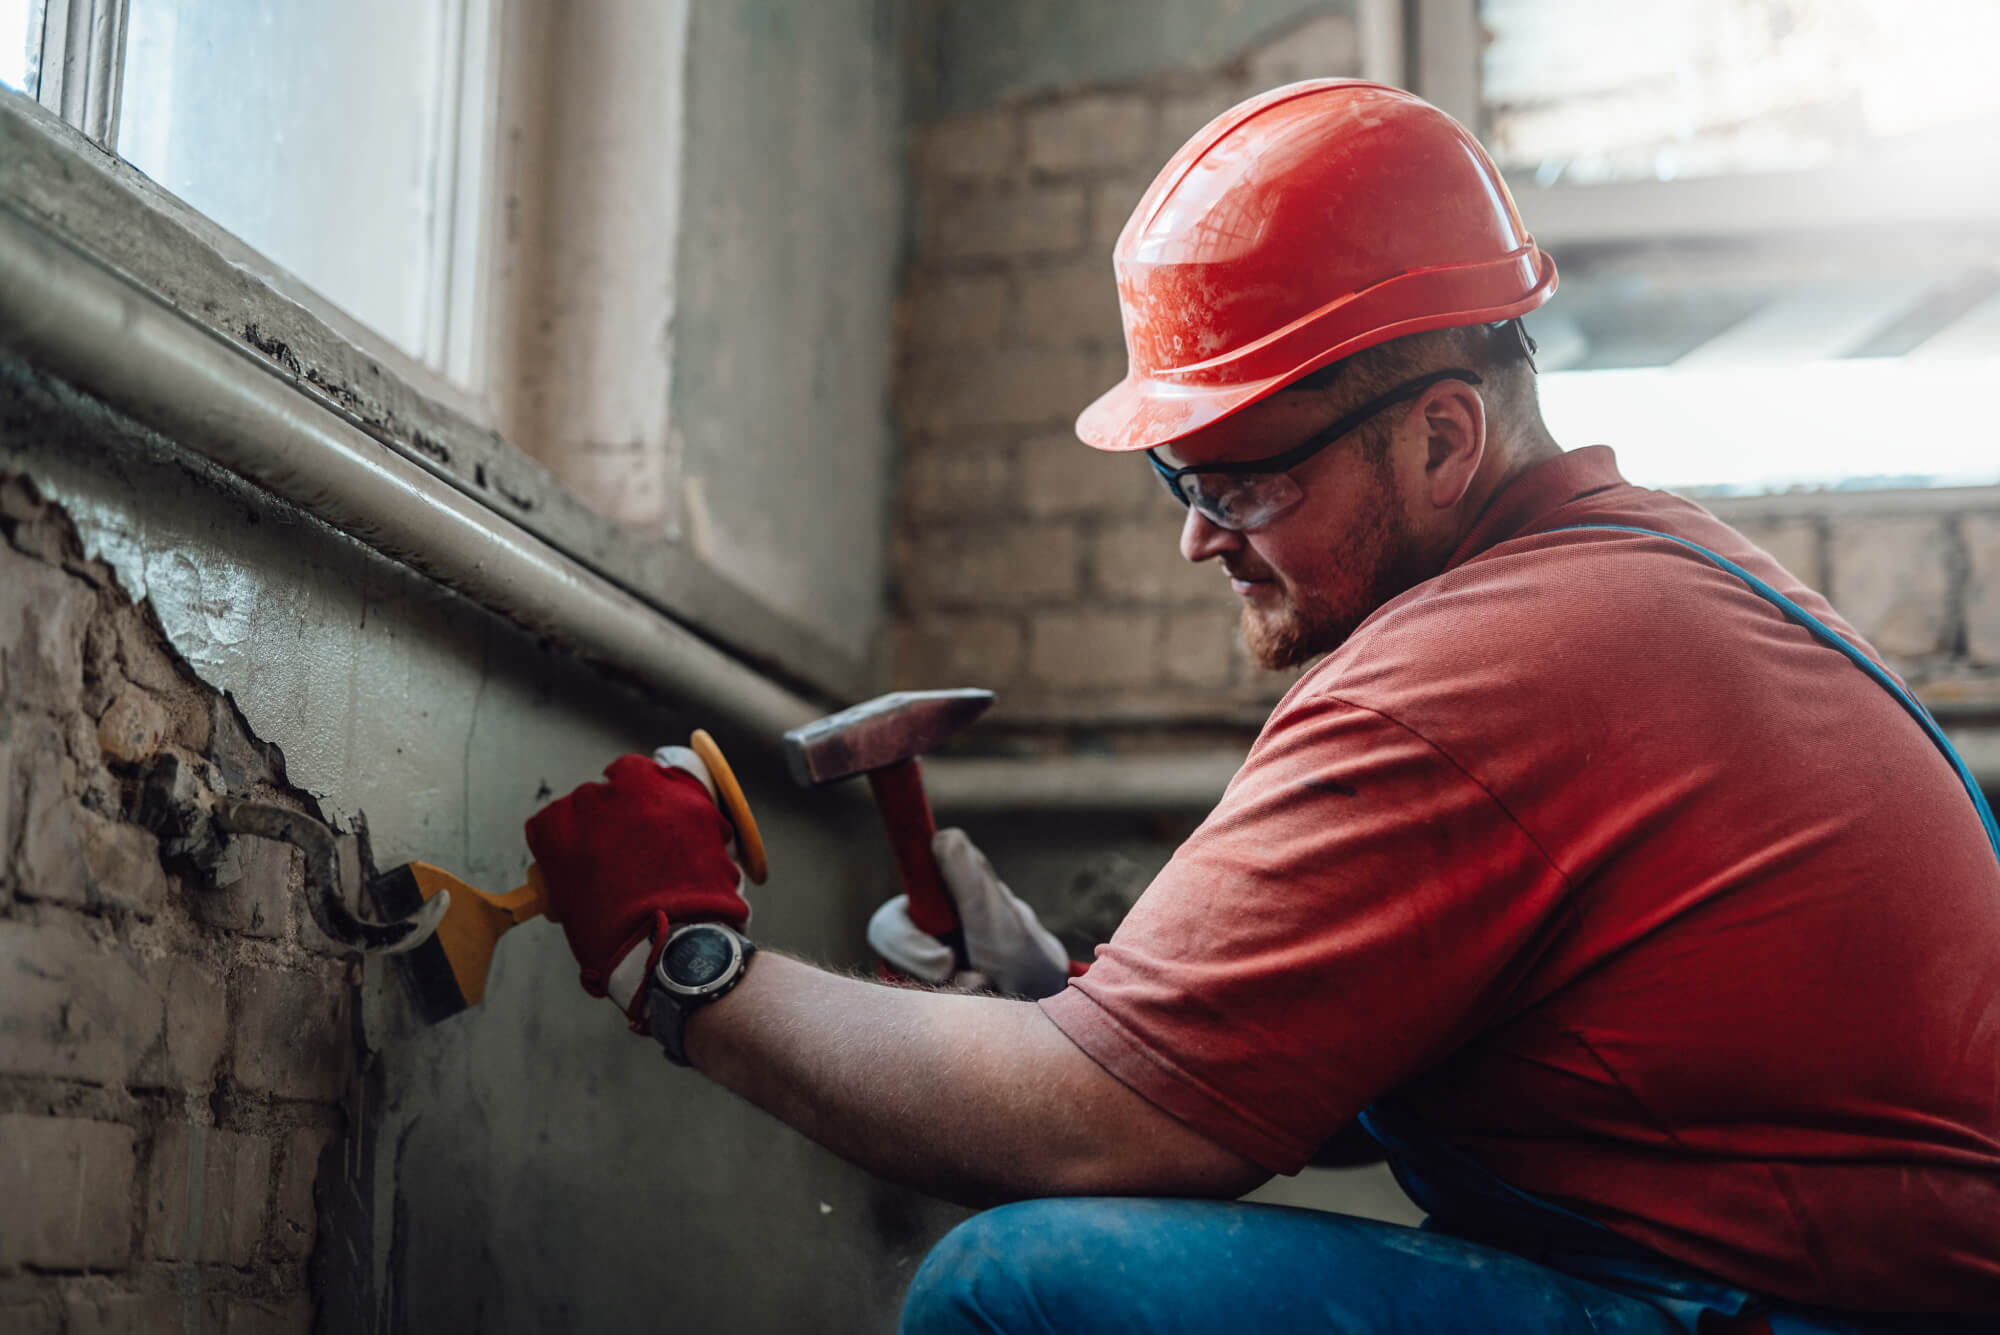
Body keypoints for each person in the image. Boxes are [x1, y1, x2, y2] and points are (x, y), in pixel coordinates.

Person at [523, 81, 2000, 1333]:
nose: (1198, 536)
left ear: (1440, 438)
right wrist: (1074, 1000)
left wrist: (690, 964)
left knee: (1025, 1290)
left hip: (1783, 1307)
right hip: (1808, 1279)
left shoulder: (1479, 670)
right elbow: (1418, 1061)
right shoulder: (1656, 580)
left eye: (1239, 481)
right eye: (1185, 479)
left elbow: (1089, 1132)